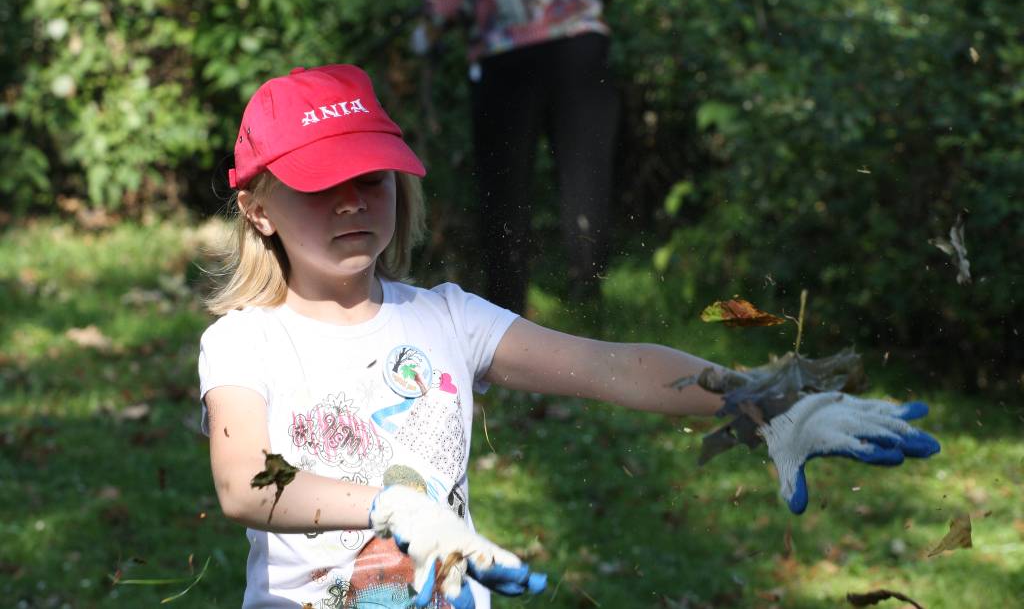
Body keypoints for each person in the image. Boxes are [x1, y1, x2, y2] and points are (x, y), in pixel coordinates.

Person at [199, 64, 940, 609]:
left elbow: (613, 367)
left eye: (373, 178)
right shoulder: (245, 343)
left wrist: (762, 401)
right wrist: (390, 506)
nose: (352, 202)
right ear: (257, 208)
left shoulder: (446, 319)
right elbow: (243, 481)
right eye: (322, 183)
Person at [415, 0, 626, 313]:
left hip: (504, 59)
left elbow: (441, 4)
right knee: (586, 177)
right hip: (581, 49)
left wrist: (431, 29)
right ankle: (590, 297)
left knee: (504, 188)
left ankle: (505, 306)